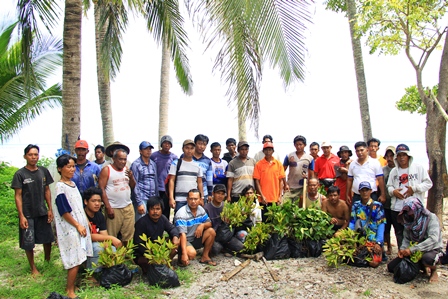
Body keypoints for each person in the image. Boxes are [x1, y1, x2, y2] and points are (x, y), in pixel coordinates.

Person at [53, 154, 93, 299]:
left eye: (73, 166)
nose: (72, 169)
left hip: (79, 224)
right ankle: (69, 290)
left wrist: (86, 220)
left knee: (80, 255)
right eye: (68, 166)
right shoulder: (60, 187)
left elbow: (78, 206)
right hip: (70, 227)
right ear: (60, 169)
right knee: (74, 259)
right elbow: (64, 211)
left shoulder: (73, 184)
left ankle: (74, 284)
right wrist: (77, 225)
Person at [11, 144, 54, 276]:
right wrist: (21, 216)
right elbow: (18, 196)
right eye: (30, 155)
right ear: (25, 156)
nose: (33, 157)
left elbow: (47, 190)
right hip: (28, 213)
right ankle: (33, 268)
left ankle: (47, 261)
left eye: (36, 154)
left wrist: (50, 209)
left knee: (48, 238)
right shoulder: (20, 174)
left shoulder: (43, 171)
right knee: (28, 242)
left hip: (42, 211)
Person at [386, 143, 432, 248]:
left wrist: (414, 188)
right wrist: (393, 192)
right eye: (399, 155)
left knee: (415, 232)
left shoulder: (418, 168)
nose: (402, 157)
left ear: (408, 156)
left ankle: (414, 256)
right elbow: (389, 186)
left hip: (414, 208)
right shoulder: (394, 171)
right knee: (399, 233)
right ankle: (401, 255)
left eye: (404, 155)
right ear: (396, 157)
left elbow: (428, 183)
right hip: (397, 208)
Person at [388, 198, 444, 283]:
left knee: (427, 259)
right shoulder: (407, 219)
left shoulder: (431, 218)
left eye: (412, 213)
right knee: (392, 267)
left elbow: (433, 239)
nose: (410, 216)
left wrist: (412, 249)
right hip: (414, 248)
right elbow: (406, 238)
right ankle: (421, 266)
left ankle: (433, 270)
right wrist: (403, 249)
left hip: (431, 248)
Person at [98, 143, 136, 246]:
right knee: (112, 236)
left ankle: (127, 256)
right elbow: (101, 189)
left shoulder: (126, 169)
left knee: (128, 234)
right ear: (114, 159)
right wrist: (108, 207)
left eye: (124, 159)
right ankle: (113, 258)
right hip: (114, 207)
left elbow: (132, 186)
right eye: (120, 159)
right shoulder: (107, 170)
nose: (123, 162)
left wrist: (131, 177)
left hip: (127, 206)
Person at [133, 196, 180, 274]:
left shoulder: (163, 218)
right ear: (148, 210)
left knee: (177, 240)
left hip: (158, 249)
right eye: (152, 209)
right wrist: (152, 254)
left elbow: (172, 229)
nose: (155, 212)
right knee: (146, 266)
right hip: (144, 252)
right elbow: (138, 244)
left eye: (158, 209)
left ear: (161, 210)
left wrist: (175, 237)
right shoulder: (141, 223)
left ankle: (166, 263)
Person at [174, 189, 217, 266]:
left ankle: (205, 257)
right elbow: (182, 235)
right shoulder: (181, 213)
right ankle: (181, 256)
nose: (193, 201)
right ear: (187, 199)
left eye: (196, 199)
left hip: (195, 237)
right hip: (184, 240)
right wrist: (184, 254)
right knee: (191, 253)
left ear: (200, 200)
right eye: (191, 199)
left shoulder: (200, 209)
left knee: (211, 231)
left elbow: (209, 223)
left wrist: (202, 225)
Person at [83, 187, 122, 271]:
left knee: (112, 249)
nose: (97, 204)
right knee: (97, 248)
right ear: (86, 202)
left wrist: (108, 243)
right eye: (93, 201)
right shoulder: (82, 216)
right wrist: (111, 238)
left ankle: (105, 269)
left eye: (99, 201)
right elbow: (88, 236)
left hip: (96, 242)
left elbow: (104, 235)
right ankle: (90, 273)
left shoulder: (99, 215)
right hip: (83, 244)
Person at [348, 181, 385, 267]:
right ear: (359, 192)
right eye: (362, 190)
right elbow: (352, 222)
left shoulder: (377, 206)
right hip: (360, 237)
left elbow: (381, 224)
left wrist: (379, 242)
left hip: (373, 238)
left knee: (374, 263)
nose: (365, 192)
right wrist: (350, 237)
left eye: (367, 190)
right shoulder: (356, 205)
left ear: (371, 191)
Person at [204, 184, 244, 255]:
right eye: (218, 193)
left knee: (240, 247)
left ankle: (225, 247)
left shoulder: (226, 206)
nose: (220, 196)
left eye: (222, 194)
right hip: (215, 237)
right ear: (213, 194)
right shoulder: (206, 208)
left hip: (226, 236)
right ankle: (221, 248)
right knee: (215, 250)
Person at [168, 139, 203, 214]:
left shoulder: (198, 165)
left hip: (193, 199)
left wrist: (201, 198)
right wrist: (171, 198)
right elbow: (171, 181)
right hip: (180, 199)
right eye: (187, 148)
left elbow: (199, 182)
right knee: (178, 220)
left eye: (191, 148)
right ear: (183, 149)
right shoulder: (176, 163)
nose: (189, 150)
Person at [253, 142, 286, 222]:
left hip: (275, 198)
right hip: (264, 199)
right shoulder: (259, 164)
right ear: (263, 151)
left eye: (270, 150)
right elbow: (256, 181)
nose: (268, 152)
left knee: (275, 221)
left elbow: (281, 180)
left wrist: (280, 196)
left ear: (273, 151)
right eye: (266, 150)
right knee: (265, 221)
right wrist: (261, 195)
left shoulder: (278, 164)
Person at [150, 135, 178, 220]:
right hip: (156, 188)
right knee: (155, 210)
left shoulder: (174, 157)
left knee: (166, 211)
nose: (167, 145)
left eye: (169, 144)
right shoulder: (154, 155)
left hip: (167, 189)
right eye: (165, 143)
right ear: (161, 144)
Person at [131, 141, 158, 221]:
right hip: (142, 198)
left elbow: (155, 181)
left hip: (152, 197)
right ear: (140, 151)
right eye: (146, 149)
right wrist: (139, 203)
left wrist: (156, 198)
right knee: (141, 222)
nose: (148, 151)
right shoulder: (136, 164)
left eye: (150, 149)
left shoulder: (153, 164)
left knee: (152, 221)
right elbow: (134, 183)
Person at [283, 135, 315, 202]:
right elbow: (282, 171)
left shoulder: (309, 158)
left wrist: (309, 186)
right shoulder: (289, 156)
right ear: (294, 145)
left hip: (302, 188)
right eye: (296, 145)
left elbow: (311, 175)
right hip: (290, 187)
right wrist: (285, 184)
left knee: (300, 207)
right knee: (285, 206)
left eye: (300, 144)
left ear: (305, 145)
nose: (298, 147)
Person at [192, 134, 214, 203]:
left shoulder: (207, 161)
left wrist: (210, 194)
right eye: (200, 144)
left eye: (204, 144)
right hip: (188, 192)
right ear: (195, 144)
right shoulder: (186, 157)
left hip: (203, 193)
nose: (202, 147)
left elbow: (209, 179)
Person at [382, 146, 396, 255]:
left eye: (392, 156)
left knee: (398, 226)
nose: (390, 158)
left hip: (397, 203)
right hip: (386, 202)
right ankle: (389, 247)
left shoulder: (399, 170)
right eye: (388, 156)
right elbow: (380, 185)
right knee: (386, 227)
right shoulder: (383, 170)